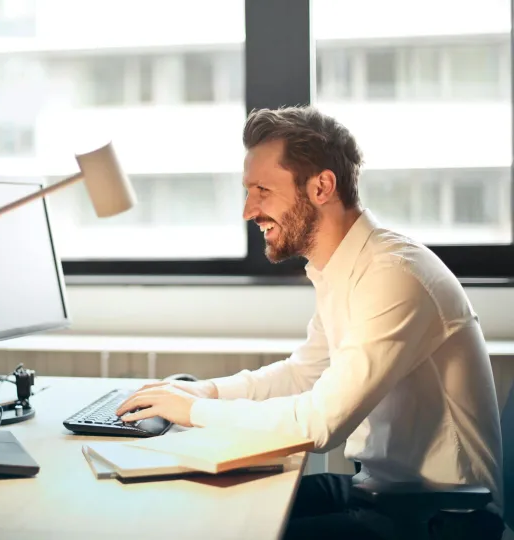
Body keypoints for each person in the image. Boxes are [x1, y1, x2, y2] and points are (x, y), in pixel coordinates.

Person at [116, 105, 505, 539]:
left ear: (322, 186)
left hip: (442, 518)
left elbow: (321, 423)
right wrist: (205, 391)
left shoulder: (395, 276)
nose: (248, 210)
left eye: (262, 189)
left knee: (228, 529)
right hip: (381, 494)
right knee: (203, 507)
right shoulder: (344, 268)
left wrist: (194, 411)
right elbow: (305, 374)